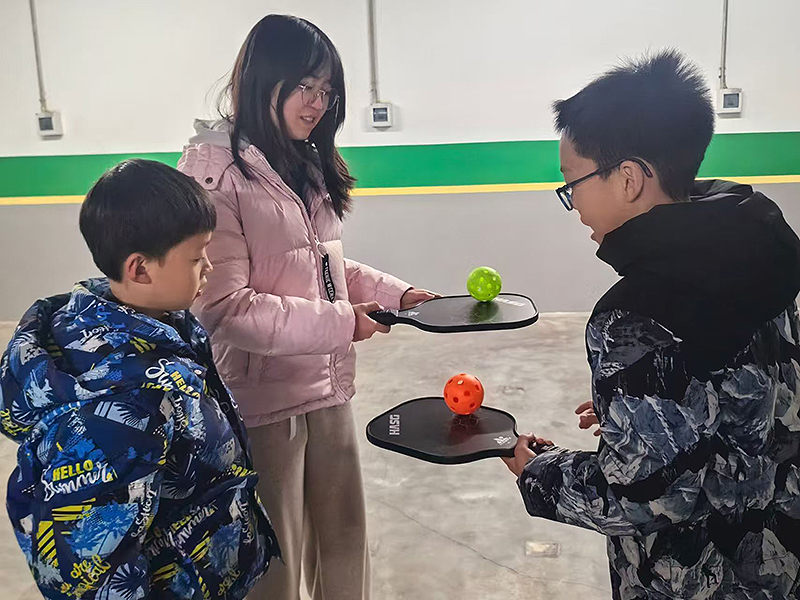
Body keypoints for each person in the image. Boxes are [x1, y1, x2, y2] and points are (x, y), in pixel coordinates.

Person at [503, 49, 800, 599]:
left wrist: (538, 470)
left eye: (572, 183)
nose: (574, 204)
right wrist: (647, 405)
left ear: (628, 178)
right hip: (778, 562)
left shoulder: (633, 315)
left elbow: (644, 497)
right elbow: (765, 387)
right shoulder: (762, 245)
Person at [178, 14, 434, 600]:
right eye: (304, 86)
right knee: (275, 561)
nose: (318, 103)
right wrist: (344, 323)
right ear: (261, 79)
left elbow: (320, 264)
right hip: (262, 401)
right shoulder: (214, 174)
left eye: (327, 90)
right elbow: (225, 307)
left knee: (343, 541)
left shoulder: (303, 161)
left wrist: (395, 294)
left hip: (325, 383)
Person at [0, 159, 279, 600]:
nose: (209, 267)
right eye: (197, 256)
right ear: (140, 269)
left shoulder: (160, 326)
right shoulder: (123, 407)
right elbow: (97, 571)